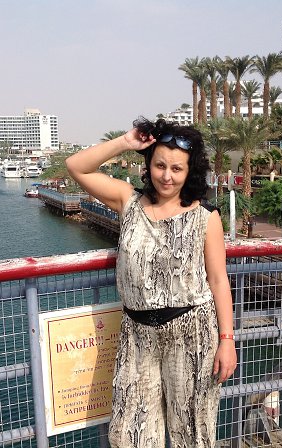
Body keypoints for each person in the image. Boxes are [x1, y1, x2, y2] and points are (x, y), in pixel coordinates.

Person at [65, 117, 237, 447]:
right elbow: (76, 166)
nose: (166, 176)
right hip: (137, 335)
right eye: (160, 165)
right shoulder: (127, 201)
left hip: (192, 334)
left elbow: (218, 280)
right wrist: (125, 142)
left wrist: (227, 340)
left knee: (193, 433)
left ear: (190, 171)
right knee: (130, 434)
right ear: (149, 165)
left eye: (176, 168)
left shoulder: (206, 217)